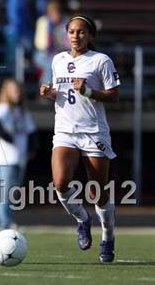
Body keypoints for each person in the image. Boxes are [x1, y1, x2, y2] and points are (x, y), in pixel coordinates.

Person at [39, 15, 120, 263]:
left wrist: (88, 91)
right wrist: (49, 93)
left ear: (90, 35)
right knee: (61, 183)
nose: (76, 36)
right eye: (72, 32)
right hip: (65, 131)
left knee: (98, 193)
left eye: (81, 32)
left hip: (93, 132)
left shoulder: (100, 60)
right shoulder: (58, 60)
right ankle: (82, 220)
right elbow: (63, 95)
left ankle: (108, 237)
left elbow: (114, 95)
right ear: (67, 34)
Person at [0, 79, 37, 230]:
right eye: (13, 91)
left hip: (20, 157)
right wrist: (9, 138)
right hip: (6, 157)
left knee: (13, 192)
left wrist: (31, 149)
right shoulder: (3, 108)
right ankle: (4, 224)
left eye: (18, 90)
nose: (17, 93)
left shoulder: (22, 111)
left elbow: (31, 131)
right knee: (6, 191)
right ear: (7, 92)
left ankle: (8, 221)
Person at [34, 0, 70, 84]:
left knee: (53, 63)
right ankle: (47, 89)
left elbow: (68, 44)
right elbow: (39, 44)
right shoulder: (42, 22)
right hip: (42, 54)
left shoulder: (66, 22)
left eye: (58, 13)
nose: (56, 16)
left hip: (62, 54)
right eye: (53, 13)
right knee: (50, 64)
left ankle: (45, 90)